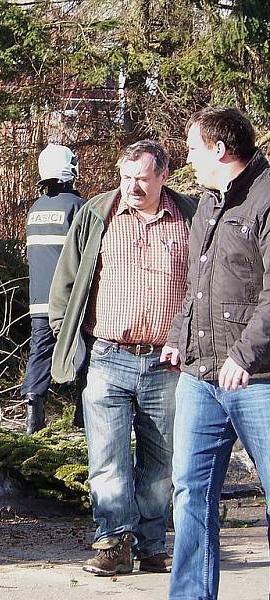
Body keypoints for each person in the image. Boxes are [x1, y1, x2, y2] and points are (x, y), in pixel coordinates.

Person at [49, 140, 196, 577]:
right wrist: (66, 333)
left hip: (166, 364)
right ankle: (112, 542)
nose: (132, 186)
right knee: (107, 457)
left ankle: (151, 545)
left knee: (161, 462)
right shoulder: (97, 213)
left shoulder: (190, 217)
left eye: (142, 178)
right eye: (126, 177)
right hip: (107, 356)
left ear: (163, 176)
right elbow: (66, 279)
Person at [164, 107, 270, 600]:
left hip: (259, 381)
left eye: (192, 148)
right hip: (201, 378)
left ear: (220, 150)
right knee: (189, 493)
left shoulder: (267, 197)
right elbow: (198, 283)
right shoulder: (208, 201)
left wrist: (244, 355)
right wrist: (178, 338)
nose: (187, 157)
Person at [21, 143, 86, 434]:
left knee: (40, 353)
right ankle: (84, 417)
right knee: (88, 353)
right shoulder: (78, 207)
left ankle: (33, 417)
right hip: (71, 302)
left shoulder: (35, 209)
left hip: (39, 302)